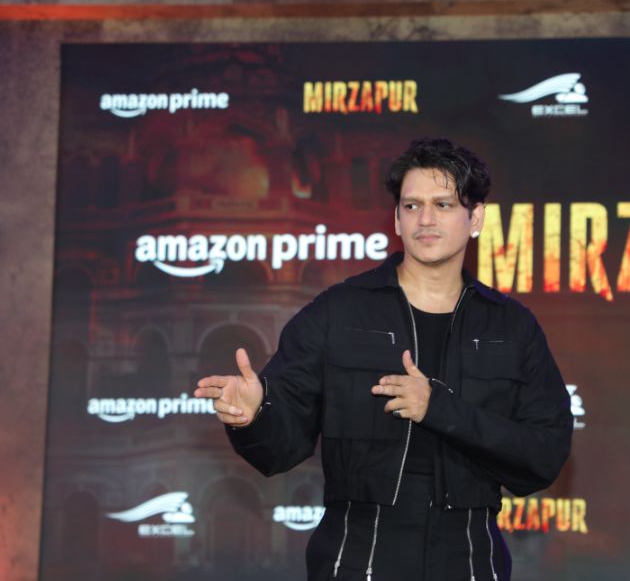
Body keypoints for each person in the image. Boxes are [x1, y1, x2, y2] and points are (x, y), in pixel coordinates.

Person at [195, 137, 573, 581]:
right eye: (412, 206)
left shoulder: (511, 326)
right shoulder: (338, 311)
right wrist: (255, 414)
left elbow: (543, 455)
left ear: (476, 218)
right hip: (358, 562)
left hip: (470, 562)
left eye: (443, 205)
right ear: (396, 219)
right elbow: (282, 448)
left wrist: (438, 408)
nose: (425, 219)